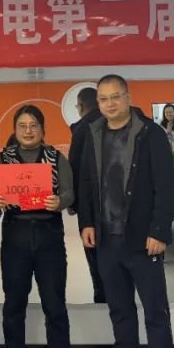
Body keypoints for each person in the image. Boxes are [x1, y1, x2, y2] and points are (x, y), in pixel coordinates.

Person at [75, 74, 174, 348]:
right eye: (104, 99)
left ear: (128, 97)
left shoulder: (151, 134)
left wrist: (159, 231)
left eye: (116, 97)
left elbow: (166, 185)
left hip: (142, 239)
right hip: (106, 238)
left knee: (155, 311)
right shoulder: (92, 133)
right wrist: (87, 222)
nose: (110, 104)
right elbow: (86, 182)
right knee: (119, 307)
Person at [0, 105, 73, 348]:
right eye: (22, 126)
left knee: (54, 300)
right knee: (14, 301)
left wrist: (60, 201)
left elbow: (69, 192)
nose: (28, 131)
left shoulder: (56, 157)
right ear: (14, 130)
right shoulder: (4, 159)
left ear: (42, 129)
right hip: (16, 234)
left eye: (33, 125)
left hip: (49, 234)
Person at [69, 86, 105, 303]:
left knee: (95, 258)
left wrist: (73, 203)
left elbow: (74, 168)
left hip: (90, 207)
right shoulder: (116, 124)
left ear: (81, 106)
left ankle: (102, 301)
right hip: (119, 207)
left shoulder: (82, 129)